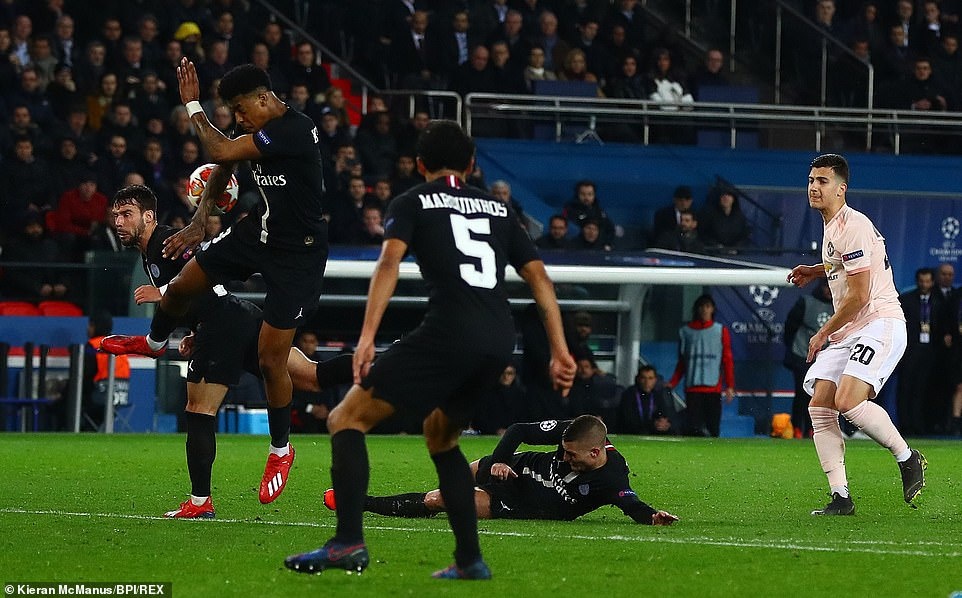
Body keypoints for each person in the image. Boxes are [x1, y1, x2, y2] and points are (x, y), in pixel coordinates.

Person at [283, 120, 576, 580]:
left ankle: (346, 544)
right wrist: (560, 349)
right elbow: (539, 277)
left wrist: (364, 339)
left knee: (345, 418)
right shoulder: (500, 209)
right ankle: (470, 561)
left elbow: (388, 264)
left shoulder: (412, 201)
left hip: (448, 333)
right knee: (443, 438)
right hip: (499, 340)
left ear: (420, 166)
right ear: (472, 164)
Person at [99, 61, 329, 508]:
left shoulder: (295, 130)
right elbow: (226, 166)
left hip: (297, 256)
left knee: (271, 360)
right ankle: (154, 340)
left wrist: (192, 103)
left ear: (263, 99)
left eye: (241, 110)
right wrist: (202, 216)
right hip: (258, 233)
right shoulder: (259, 133)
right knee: (184, 283)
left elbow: (221, 152)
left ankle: (280, 450)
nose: (239, 119)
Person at [109, 184, 351, 517]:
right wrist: (193, 328)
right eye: (116, 215)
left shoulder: (167, 242)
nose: (118, 222)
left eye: (126, 215)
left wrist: (163, 291)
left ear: (148, 217)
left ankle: (199, 502)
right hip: (235, 317)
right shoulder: (148, 250)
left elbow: (201, 271)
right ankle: (382, 365)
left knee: (198, 409)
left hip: (222, 324)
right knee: (311, 376)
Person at [787, 153, 925, 516]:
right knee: (819, 405)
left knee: (847, 401)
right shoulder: (833, 225)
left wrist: (821, 333)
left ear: (841, 188)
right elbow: (841, 264)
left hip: (880, 321)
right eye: (811, 180)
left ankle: (908, 457)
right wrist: (816, 271)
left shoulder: (854, 225)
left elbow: (861, 295)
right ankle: (841, 497)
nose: (814, 187)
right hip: (852, 325)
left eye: (823, 181)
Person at [323, 416, 679, 526]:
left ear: (597, 453)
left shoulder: (612, 478)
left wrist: (653, 517)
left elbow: (631, 504)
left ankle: (358, 502)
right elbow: (520, 430)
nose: (566, 457)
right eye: (564, 452)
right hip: (518, 469)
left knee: (440, 499)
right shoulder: (573, 431)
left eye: (572, 457)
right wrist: (500, 461)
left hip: (524, 506)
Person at [668, 294, 734, 437]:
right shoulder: (686, 332)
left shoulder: (720, 331)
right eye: (702, 306)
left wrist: (729, 386)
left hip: (713, 389)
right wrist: (673, 382)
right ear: (697, 309)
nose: (704, 310)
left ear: (712, 309)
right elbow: (682, 362)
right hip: (693, 388)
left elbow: (727, 359)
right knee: (693, 428)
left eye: (707, 306)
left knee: (713, 428)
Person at [896, 267, 945, 435]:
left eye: (928, 281)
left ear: (932, 281)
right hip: (910, 350)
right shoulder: (907, 300)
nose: (925, 284)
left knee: (922, 389)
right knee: (906, 389)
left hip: (930, 351)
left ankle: (919, 426)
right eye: (922, 281)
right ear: (918, 281)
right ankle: (904, 425)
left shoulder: (939, 301)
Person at [784, 278, 834, 439]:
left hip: (826, 358)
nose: (828, 290)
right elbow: (790, 327)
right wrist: (792, 349)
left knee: (820, 396)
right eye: (825, 286)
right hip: (802, 354)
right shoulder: (806, 302)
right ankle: (797, 427)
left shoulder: (840, 306)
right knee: (801, 393)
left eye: (830, 286)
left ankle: (814, 429)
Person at [618, 365, 678, 435]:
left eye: (650, 378)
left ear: (655, 380)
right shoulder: (629, 394)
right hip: (632, 434)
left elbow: (663, 414)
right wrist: (652, 425)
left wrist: (663, 423)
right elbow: (628, 420)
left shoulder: (658, 395)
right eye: (644, 378)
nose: (647, 382)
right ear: (638, 379)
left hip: (653, 433)